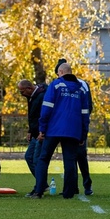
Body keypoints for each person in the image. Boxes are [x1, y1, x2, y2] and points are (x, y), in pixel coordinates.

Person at [31, 62, 90, 199]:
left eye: (58, 73)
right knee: (70, 161)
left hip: (53, 129)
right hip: (73, 131)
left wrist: (42, 129)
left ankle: (38, 190)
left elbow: (46, 108)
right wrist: (83, 134)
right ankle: (68, 193)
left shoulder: (56, 85)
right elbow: (85, 114)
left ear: (61, 72)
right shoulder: (81, 89)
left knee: (43, 158)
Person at [54, 58, 93, 195]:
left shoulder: (68, 84)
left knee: (76, 156)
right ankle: (78, 186)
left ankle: (83, 185)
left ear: (61, 71)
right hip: (75, 125)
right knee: (75, 156)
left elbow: (87, 106)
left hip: (71, 126)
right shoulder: (81, 84)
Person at [18, 79, 47, 197]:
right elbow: (33, 116)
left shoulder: (41, 97)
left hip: (41, 134)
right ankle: (42, 184)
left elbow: (44, 115)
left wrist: (42, 131)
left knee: (36, 160)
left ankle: (39, 187)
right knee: (29, 157)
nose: (21, 94)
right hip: (35, 133)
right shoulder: (32, 97)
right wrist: (30, 130)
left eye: (22, 91)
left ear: (29, 88)